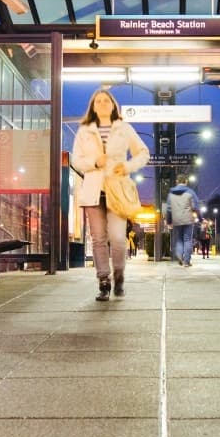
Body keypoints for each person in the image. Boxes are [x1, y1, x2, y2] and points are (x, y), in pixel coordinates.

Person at [71, 88, 150, 301]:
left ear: (114, 105)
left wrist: (127, 166)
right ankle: (104, 281)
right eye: (98, 101)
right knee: (98, 239)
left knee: (117, 238)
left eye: (106, 100)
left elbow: (143, 153)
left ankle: (119, 275)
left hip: (117, 191)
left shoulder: (124, 128)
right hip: (93, 191)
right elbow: (76, 160)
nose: (103, 104)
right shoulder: (84, 131)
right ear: (93, 107)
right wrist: (94, 162)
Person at [164, 183, 200, 267]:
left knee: (179, 239)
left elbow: (168, 209)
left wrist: (169, 221)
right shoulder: (190, 192)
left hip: (177, 219)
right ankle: (186, 261)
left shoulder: (171, 194)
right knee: (187, 239)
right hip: (188, 219)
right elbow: (196, 206)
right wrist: (200, 218)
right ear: (186, 182)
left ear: (177, 181)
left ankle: (179, 255)